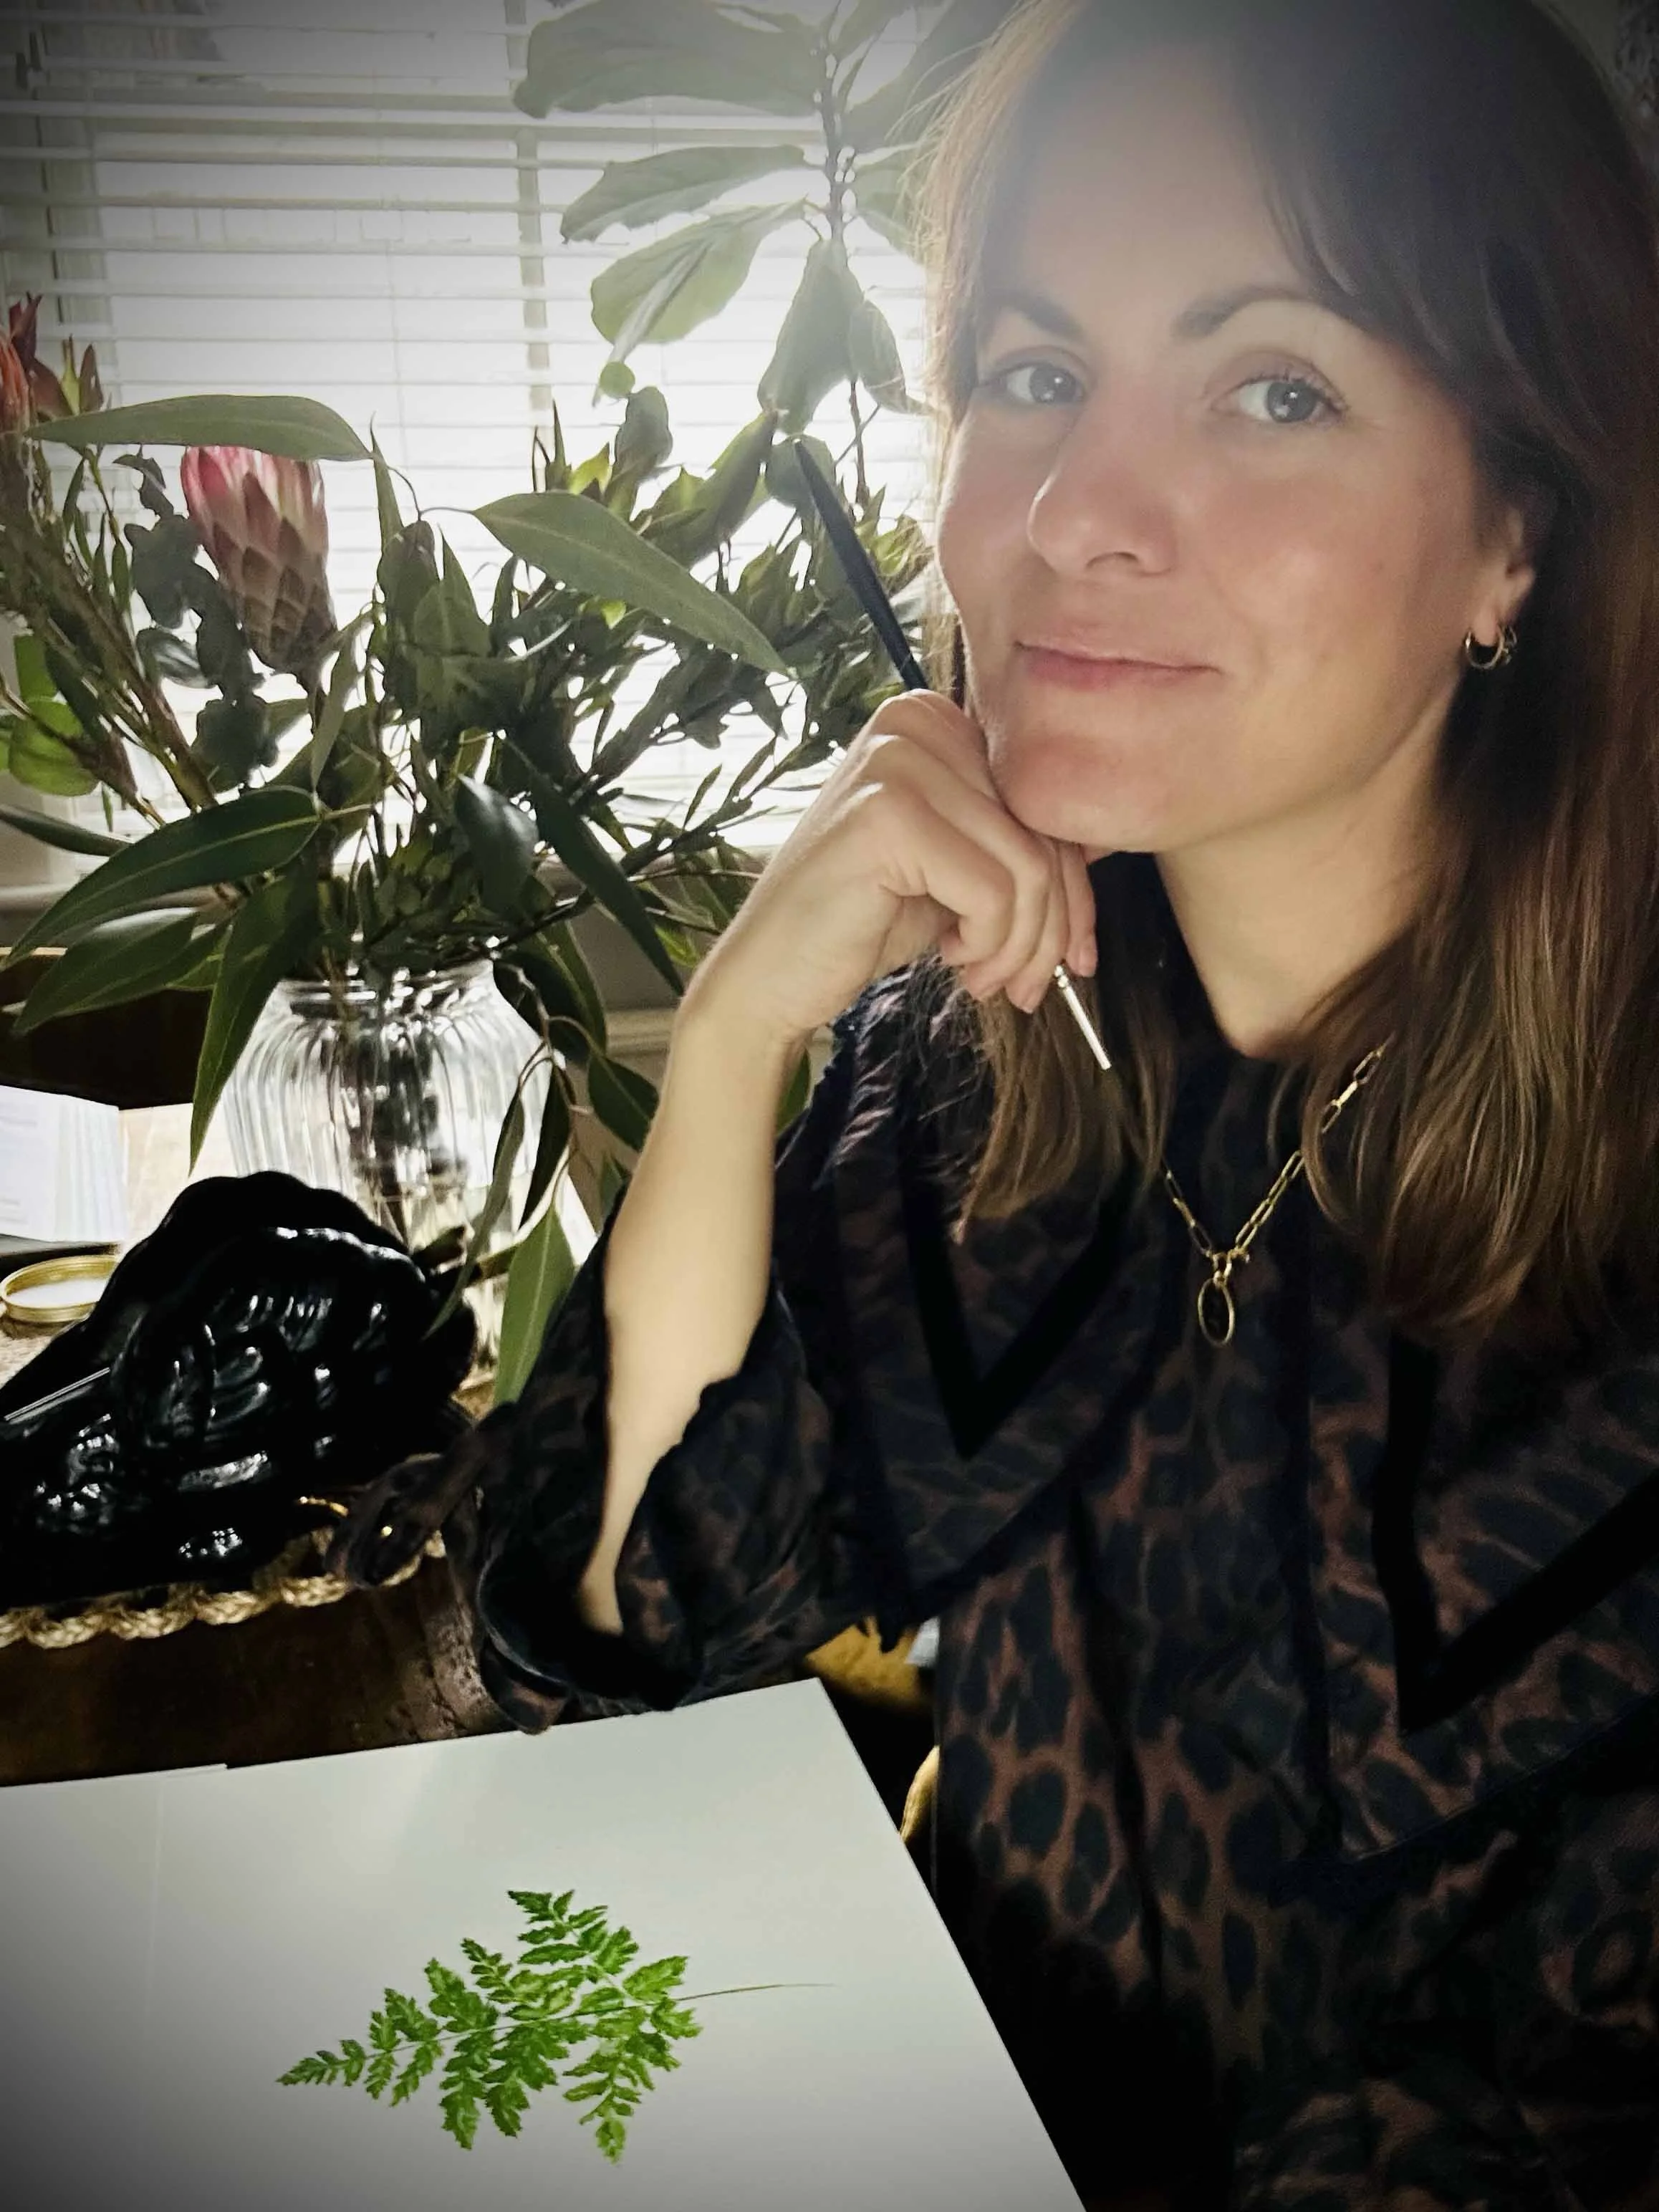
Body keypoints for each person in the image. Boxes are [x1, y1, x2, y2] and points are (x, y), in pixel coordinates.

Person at [330, 0, 1659, 2203]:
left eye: (1272, 389)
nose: (1069, 515)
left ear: (1516, 532)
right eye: (1033, 374)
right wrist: (743, 1024)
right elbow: (597, 1620)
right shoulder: (979, 1066)